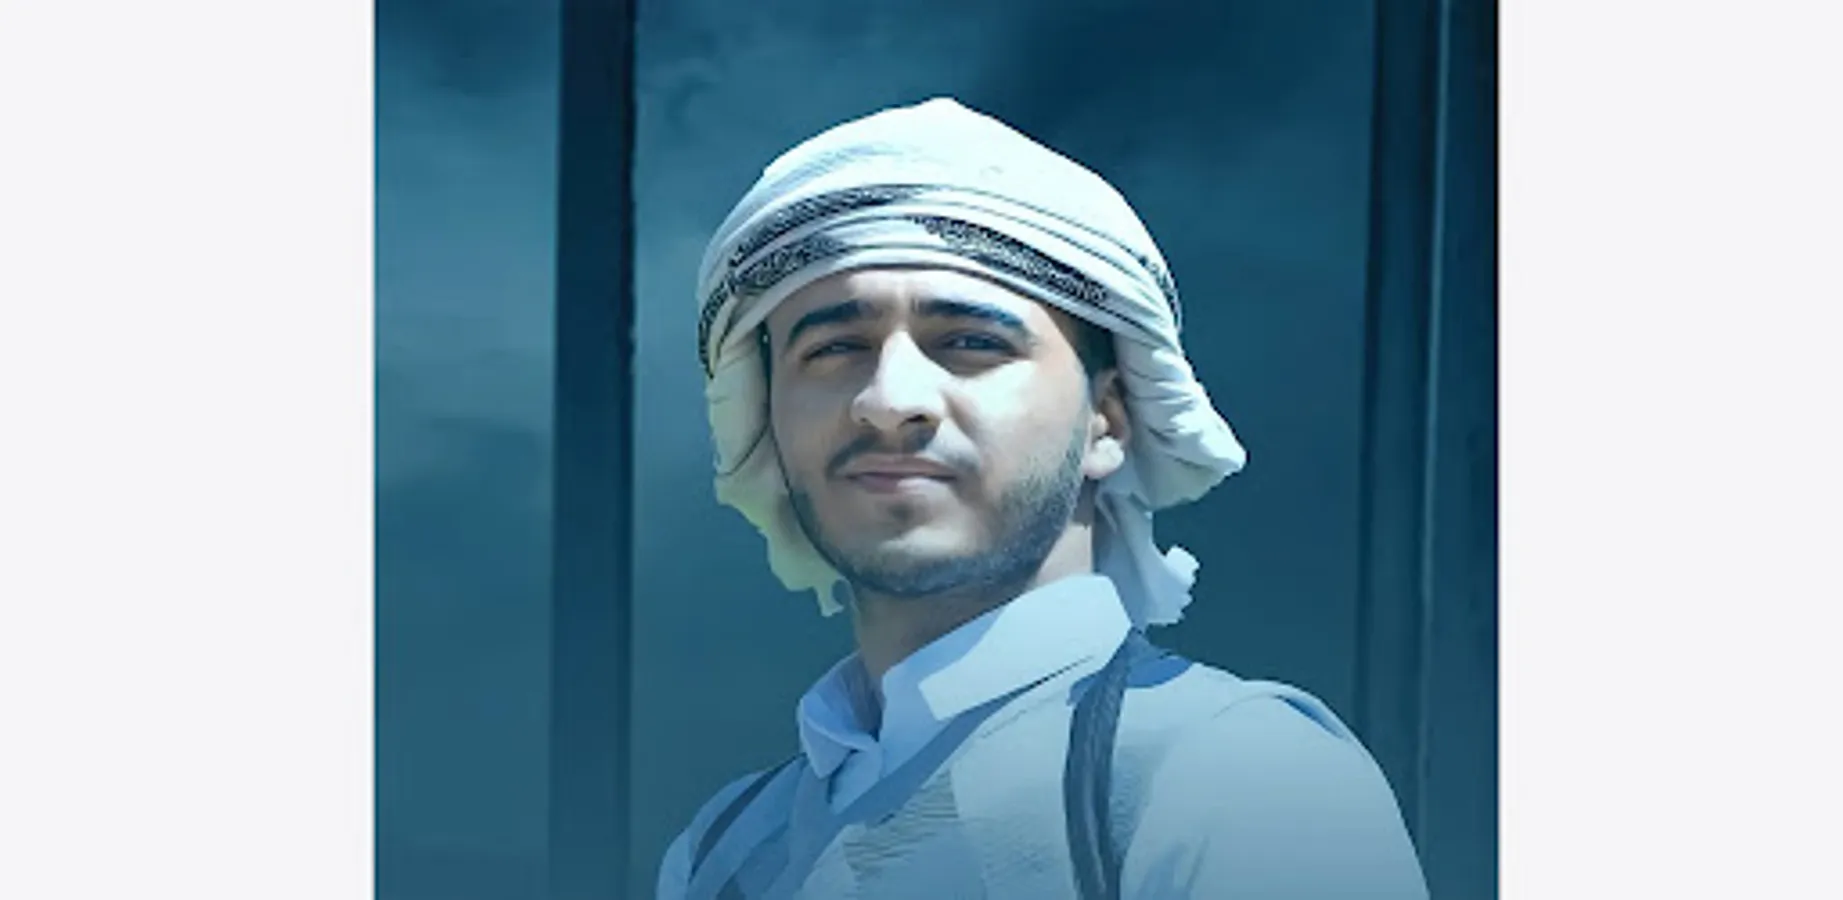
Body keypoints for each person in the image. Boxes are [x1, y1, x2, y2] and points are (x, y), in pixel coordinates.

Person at [658, 97, 1428, 899]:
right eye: (835, 347)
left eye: (970, 343)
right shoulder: (727, 850)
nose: (889, 400)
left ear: (1108, 419)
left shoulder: (1241, 778)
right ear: (768, 416)